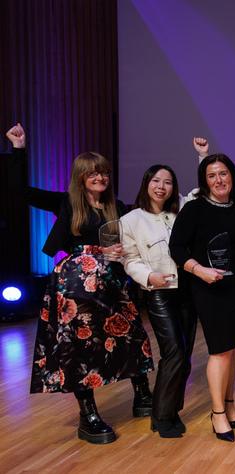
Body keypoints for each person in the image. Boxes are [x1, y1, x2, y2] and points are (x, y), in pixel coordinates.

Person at [6, 124, 154, 445]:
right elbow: (19, 189)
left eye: (103, 173)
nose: (100, 178)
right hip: (76, 284)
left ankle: (143, 396)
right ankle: (88, 415)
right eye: (92, 174)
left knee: (131, 335)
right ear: (81, 178)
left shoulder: (119, 207)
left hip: (113, 281)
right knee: (81, 346)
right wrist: (19, 149)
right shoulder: (66, 203)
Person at [169, 138, 235, 442]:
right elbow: (176, 247)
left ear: (232, 177)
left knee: (232, 348)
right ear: (204, 180)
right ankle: (217, 413)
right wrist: (199, 270)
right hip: (207, 286)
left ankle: (231, 405)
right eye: (211, 175)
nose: (218, 179)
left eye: (223, 174)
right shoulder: (194, 208)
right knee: (219, 350)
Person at [120, 164, 197, 438]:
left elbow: (202, 193)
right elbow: (129, 259)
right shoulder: (130, 220)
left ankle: (171, 410)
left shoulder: (183, 211)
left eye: (167, 182)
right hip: (159, 292)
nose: (161, 186)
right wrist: (149, 276)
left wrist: (201, 157)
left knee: (185, 356)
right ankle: (161, 415)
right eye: (156, 180)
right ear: (146, 184)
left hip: (188, 289)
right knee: (173, 351)